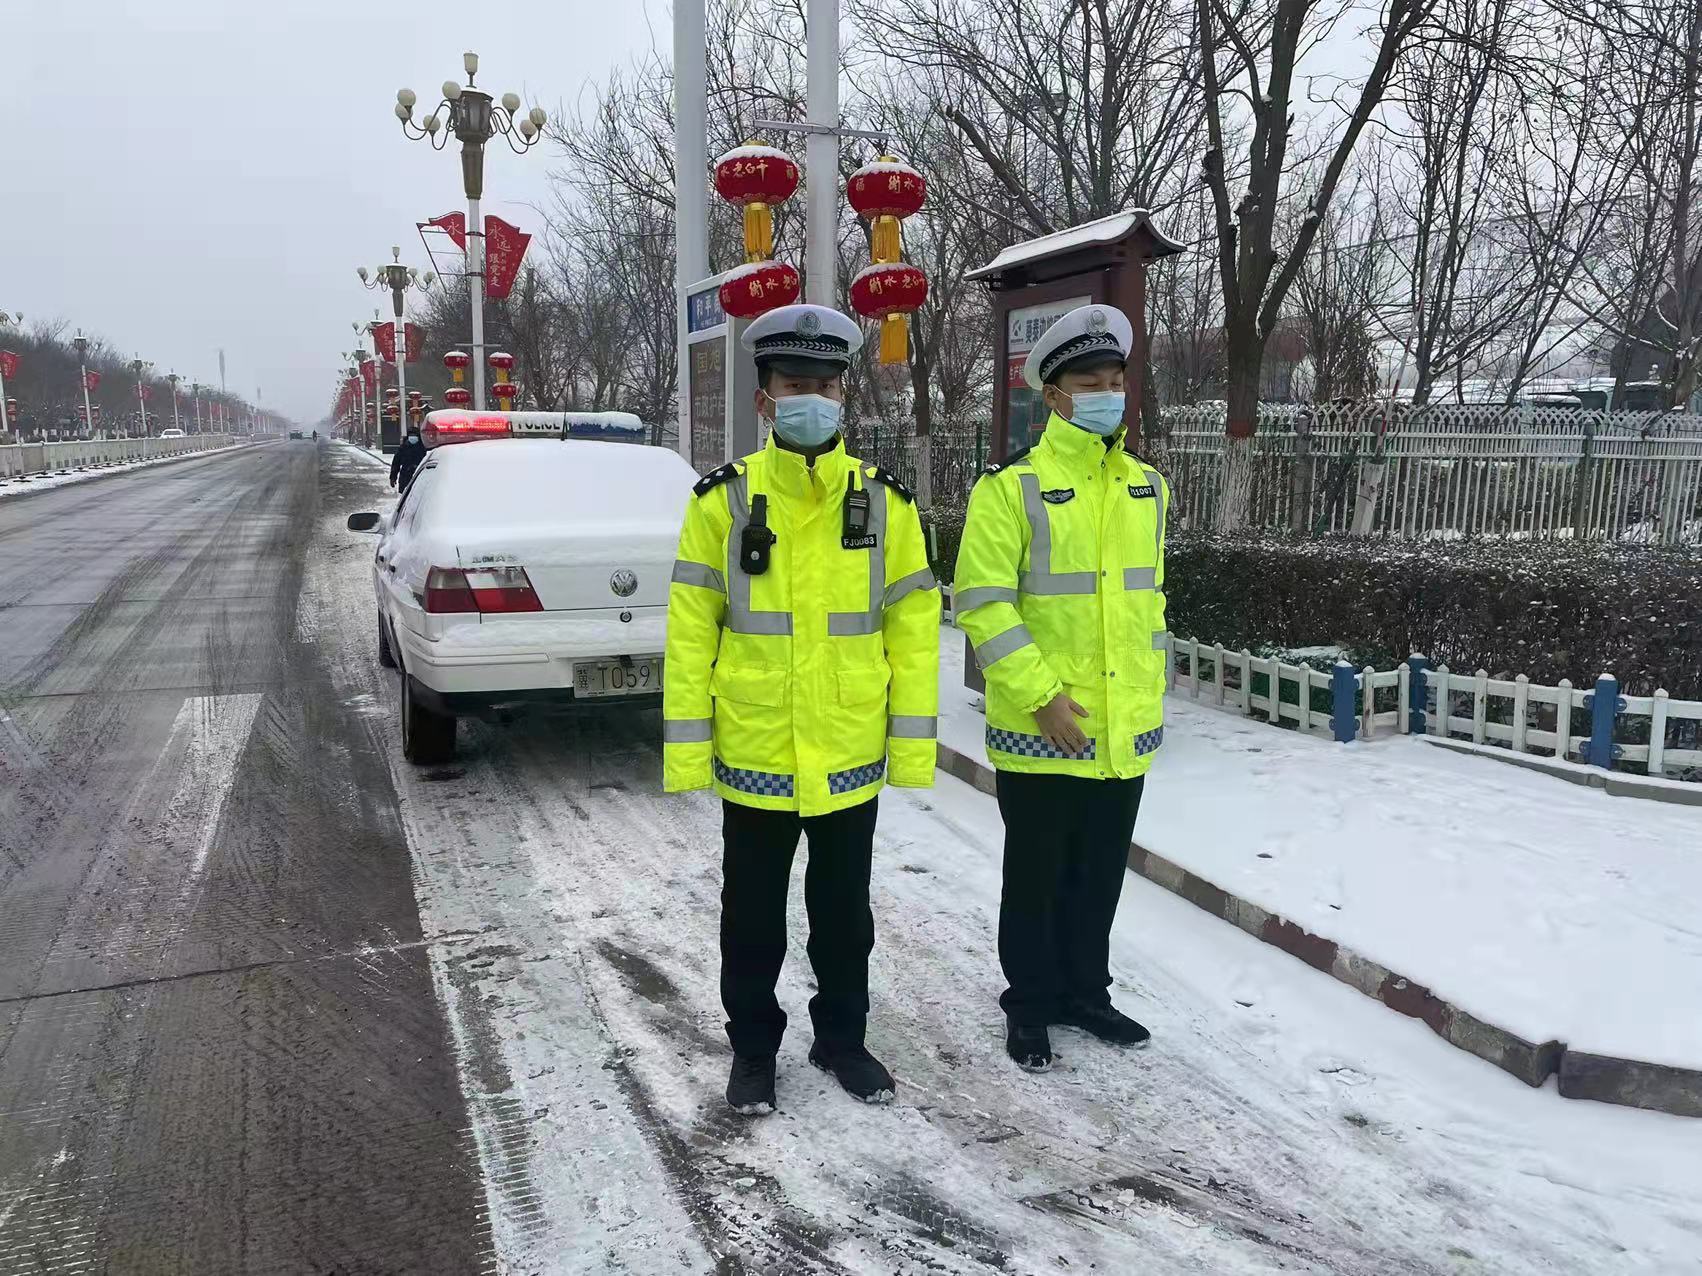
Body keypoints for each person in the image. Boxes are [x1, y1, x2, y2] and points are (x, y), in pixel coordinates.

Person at [664, 303, 941, 1115]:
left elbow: (913, 633)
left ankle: (842, 1040)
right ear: (765, 400)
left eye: (825, 385)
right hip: (756, 750)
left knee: (845, 916)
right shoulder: (722, 503)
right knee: (751, 918)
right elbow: (690, 634)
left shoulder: (884, 504)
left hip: (848, 750)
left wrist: (911, 750)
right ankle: (754, 1049)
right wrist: (688, 753)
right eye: (794, 385)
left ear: (844, 395)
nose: (811, 398)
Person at [954, 304, 1167, 1073]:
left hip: (1121, 725)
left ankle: (1086, 994)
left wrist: (1147, 698)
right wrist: (1042, 695)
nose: (1107, 393)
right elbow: (982, 603)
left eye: (1116, 380)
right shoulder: (1011, 489)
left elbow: (1146, 605)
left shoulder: (1147, 487)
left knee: (1098, 874)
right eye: (1089, 382)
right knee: (1036, 877)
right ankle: (1030, 1004)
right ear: (1053, 395)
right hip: (1042, 726)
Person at [390, 424, 426, 490]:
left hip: (419, 478)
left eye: (414, 435)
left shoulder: (423, 448)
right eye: (411, 435)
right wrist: (393, 477)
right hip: (405, 478)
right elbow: (396, 463)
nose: (412, 437)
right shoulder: (403, 448)